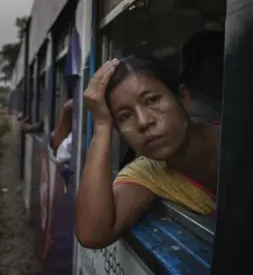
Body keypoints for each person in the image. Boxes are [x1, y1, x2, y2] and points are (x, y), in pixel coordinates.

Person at [75, 56, 220, 250]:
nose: (143, 122)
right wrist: (101, 125)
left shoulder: (240, 137)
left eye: (152, 100)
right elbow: (92, 234)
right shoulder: (150, 173)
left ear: (183, 98)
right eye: (125, 116)